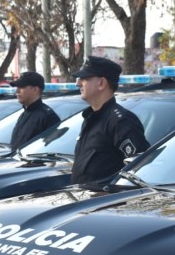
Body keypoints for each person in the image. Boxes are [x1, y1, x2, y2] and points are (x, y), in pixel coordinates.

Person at [70, 56, 148, 185]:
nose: (78, 83)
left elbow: (138, 171)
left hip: (105, 201)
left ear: (101, 83)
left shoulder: (121, 121)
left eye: (84, 78)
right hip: (85, 200)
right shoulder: (91, 117)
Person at [8, 71, 60, 150]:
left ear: (35, 89)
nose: (17, 91)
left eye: (21, 87)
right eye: (17, 87)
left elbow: (51, 150)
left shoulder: (48, 117)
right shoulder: (24, 114)